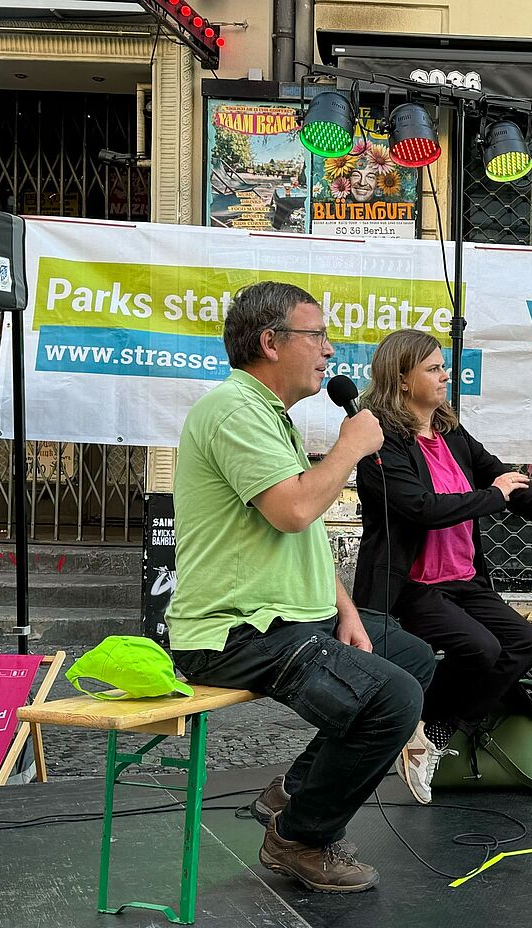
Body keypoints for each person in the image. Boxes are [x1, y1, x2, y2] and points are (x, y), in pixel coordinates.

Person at [167, 282, 437, 894]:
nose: (329, 349)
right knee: (391, 698)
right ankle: (301, 837)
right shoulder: (234, 411)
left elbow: (302, 530)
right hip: (233, 631)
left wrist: (344, 608)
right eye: (316, 335)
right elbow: (293, 510)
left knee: (409, 656)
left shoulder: (269, 416)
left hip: (288, 618)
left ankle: (293, 792)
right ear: (270, 342)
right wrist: (349, 447)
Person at [352, 329, 532, 786]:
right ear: (403, 379)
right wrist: (490, 497)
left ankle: (431, 729)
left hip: (464, 580)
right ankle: (413, 722)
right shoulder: (380, 441)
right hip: (411, 585)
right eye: (433, 369)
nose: (444, 376)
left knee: (524, 644)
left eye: (443, 367)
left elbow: (501, 476)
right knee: (480, 648)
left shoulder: (450, 431)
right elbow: (420, 509)